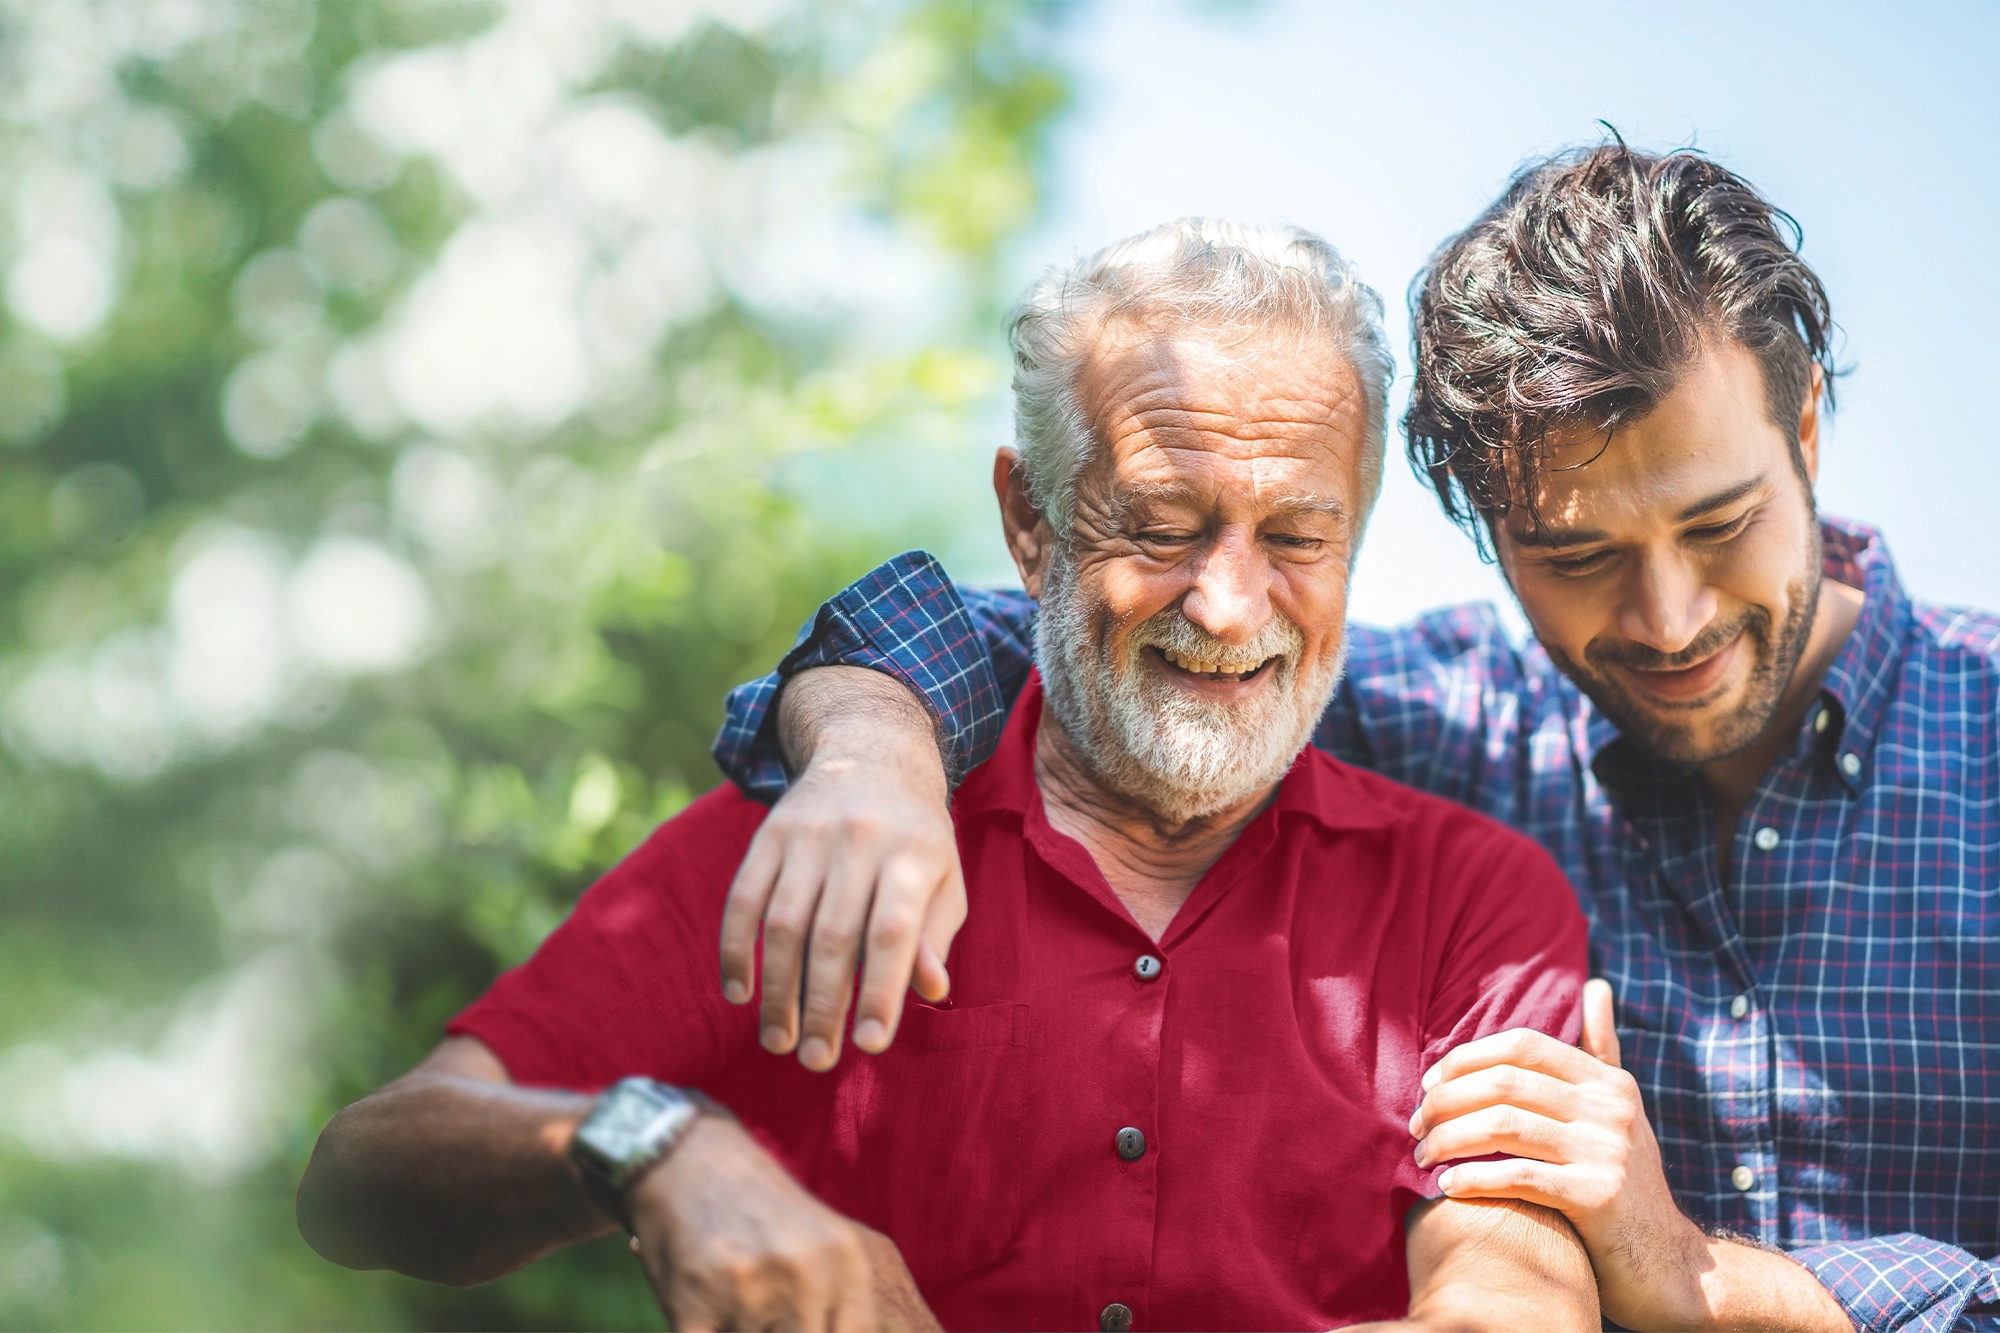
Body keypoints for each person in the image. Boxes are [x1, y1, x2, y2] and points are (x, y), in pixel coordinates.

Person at [713, 142, 2000, 1333]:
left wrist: (1707, 1279)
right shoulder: (1449, 723)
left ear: (1807, 431)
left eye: (1719, 524)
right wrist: (873, 751)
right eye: (1574, 554)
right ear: (1486, 530)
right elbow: (1068, 633)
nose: (1666, 619)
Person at [295, 219, 1603, 1331]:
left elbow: (1516, 1305)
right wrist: (654, 1144)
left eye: (1300, 535)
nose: (1227, 603)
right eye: (1160, 525)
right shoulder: (820, 845)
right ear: (1030, 520)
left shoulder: (1469, 897)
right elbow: (363, 1172)